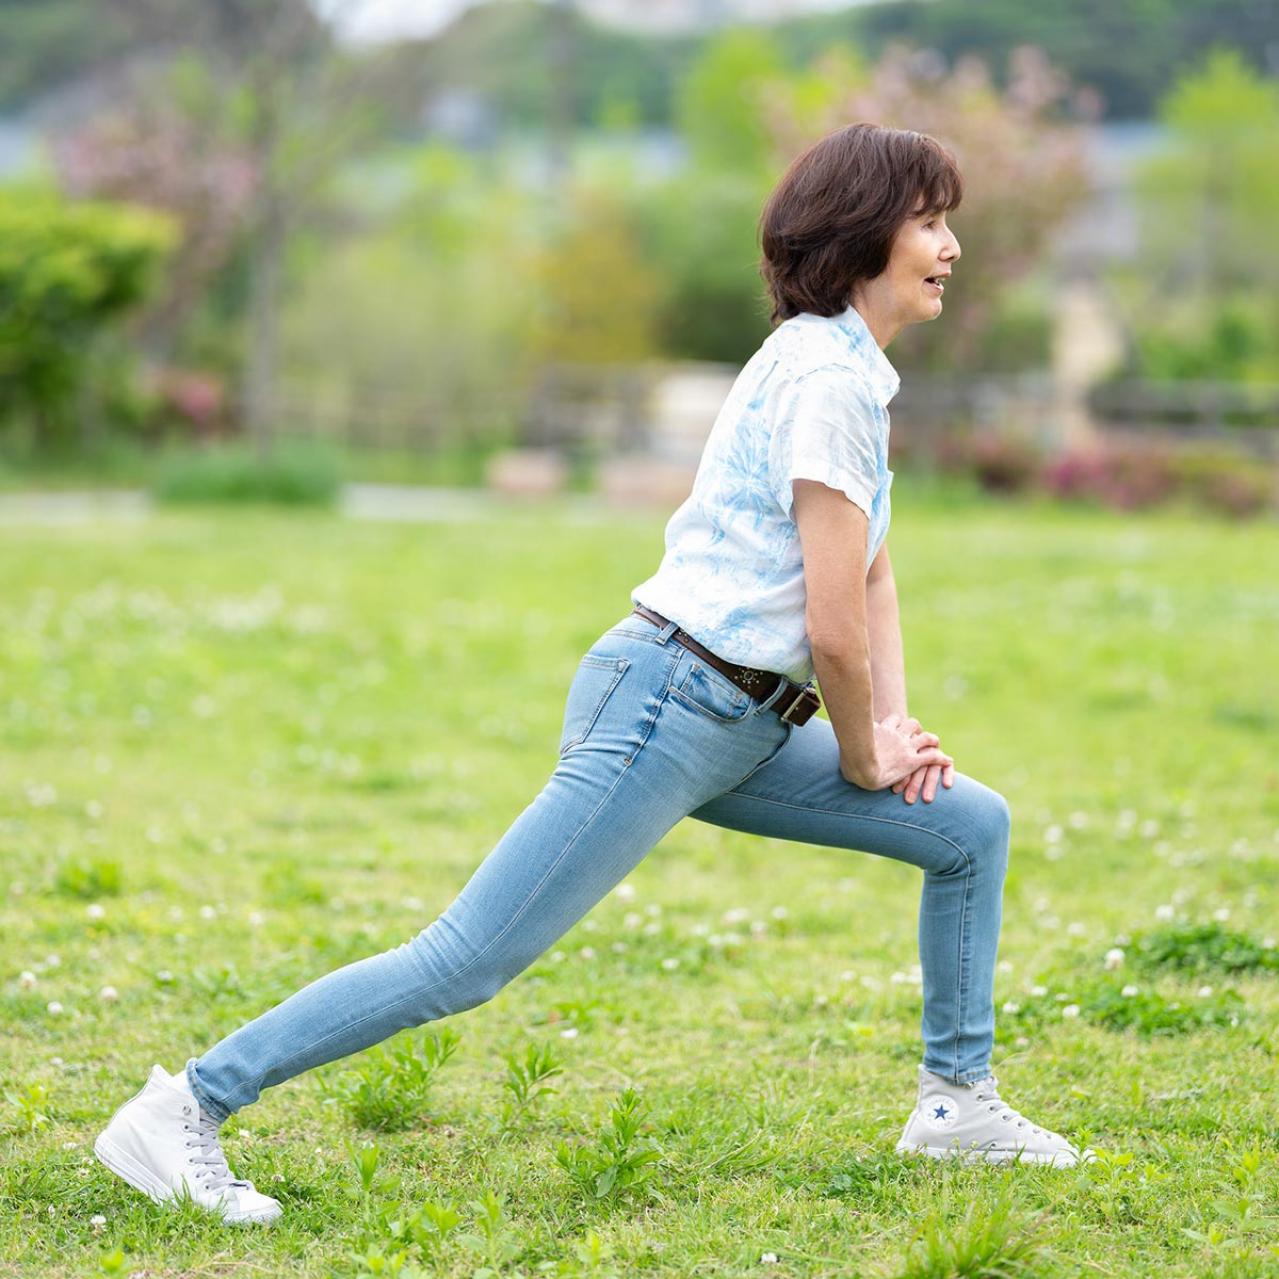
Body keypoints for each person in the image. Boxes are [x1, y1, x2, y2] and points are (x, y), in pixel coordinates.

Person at [94, 122, 1094, 1225]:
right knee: (464, 960)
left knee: (969, 826)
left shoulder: (848, 368)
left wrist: (894, 730)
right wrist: (864, 749)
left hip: (738, 719)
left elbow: (872, 572)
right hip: (672, 704)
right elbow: (834, 626)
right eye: (930, 221)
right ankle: (186, 1107)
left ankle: (956, 1104)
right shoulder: (827, 380)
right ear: (864, 236)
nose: (951, 245)